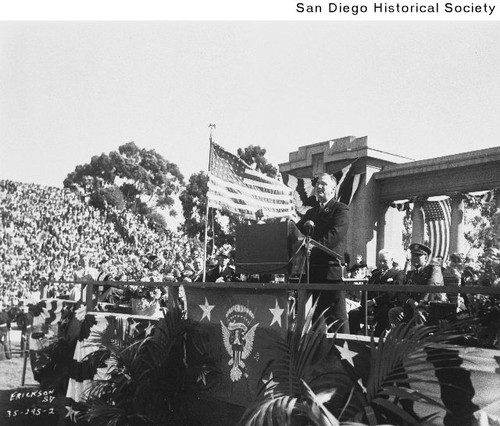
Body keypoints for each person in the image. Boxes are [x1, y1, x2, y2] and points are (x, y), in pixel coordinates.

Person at [296, 173, 350, 333]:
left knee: (338, 321)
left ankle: (343, 356)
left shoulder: (340, 209)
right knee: (315, 322)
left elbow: (335, 235)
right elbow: (296, 233)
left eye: (324, 184)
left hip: (330, 274)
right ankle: (317, 354)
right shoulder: (311, 213)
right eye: (318, 183)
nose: (319, 186)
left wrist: (312, 248)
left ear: (333, 190)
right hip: (310, 274)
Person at [388, 242, 445, 327]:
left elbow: (432, 285)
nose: (414, 258)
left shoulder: (434, 269)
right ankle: (400, 337)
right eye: (413, 255)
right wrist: (409, 301)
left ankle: (420, 339)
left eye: (418, 255)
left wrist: (420, 303)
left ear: (426, 258)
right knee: (394, 312)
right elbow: (401, 291)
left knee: (419, 313)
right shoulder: (411, 274)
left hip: (432, 306)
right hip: (413, 307)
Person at [349, 249, 404, 336]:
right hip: (371, 306)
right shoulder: (375, 275)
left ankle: (376, 340)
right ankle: (354, 338)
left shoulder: (397, 274)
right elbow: (366, 290)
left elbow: (391, 293)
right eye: (380, 261)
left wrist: (374, 301)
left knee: (382, 315)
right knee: (353, 313)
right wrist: (366, 304)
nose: (381, 263)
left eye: (384, 261)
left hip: (386, 305)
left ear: (391, 260)